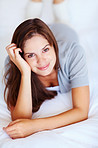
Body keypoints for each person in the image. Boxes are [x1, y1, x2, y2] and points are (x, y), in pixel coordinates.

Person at [3, 18, 90, 139]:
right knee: (32, 31)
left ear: (53, 45)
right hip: (39, 37)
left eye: (45, 50)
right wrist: (25, 73)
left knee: (62, 20)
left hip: (63, 31)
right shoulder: (12, 64)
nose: (41, 61)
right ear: (22, 57)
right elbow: (21, 121)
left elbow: (81, 111)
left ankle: (59, 9)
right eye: (31, 55)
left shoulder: (73, 52)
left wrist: (34, 126)